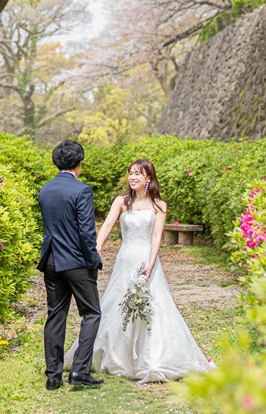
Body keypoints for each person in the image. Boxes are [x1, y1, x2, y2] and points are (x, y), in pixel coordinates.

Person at [63, 158, 215, 383]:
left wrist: (151, 262)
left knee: (154, 305)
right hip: (125, 259)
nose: (133, 177)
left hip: (146, 259)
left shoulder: (159, 205)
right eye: (130, 173)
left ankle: (151, 357)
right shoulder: (122, 202)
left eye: (138, 174)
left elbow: (156, 236)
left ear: (148, 178)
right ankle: (113, 355)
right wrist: (96, 247)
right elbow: (106, 226)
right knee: (117, 303)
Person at [37, 140, 103, 390]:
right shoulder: (81, 191)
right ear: (79, 163)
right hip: (75, 261)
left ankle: (53, 376)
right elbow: (87, 233)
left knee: (55, 315)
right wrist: (93, 260)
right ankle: (79, 371)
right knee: (91, 313)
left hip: (52, 261)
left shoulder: (45, 190)